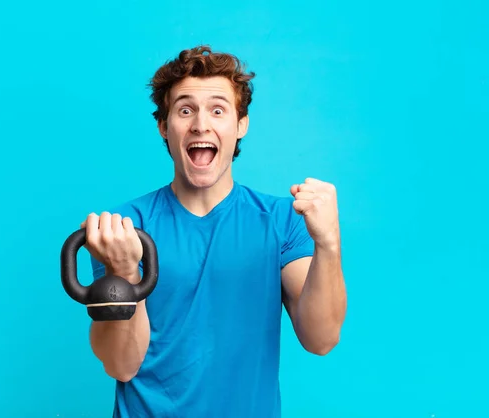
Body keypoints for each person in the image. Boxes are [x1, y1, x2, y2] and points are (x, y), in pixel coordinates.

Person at [80, 45, 347, 418]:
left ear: (241, 125)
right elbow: (121, 364)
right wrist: (124, 274)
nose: (201, 125)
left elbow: (321, 339)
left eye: (218, 110)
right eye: (185, 110)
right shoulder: (124, 229)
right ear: (164, 126)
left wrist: (328, 245)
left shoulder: (282, 221)